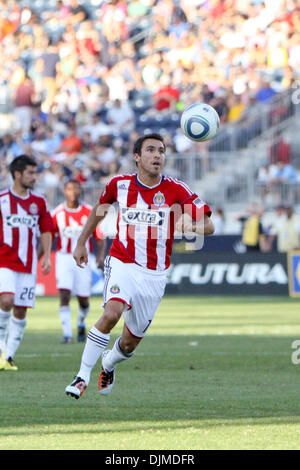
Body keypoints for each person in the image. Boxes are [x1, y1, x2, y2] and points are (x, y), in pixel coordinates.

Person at [65, 132, 214, 399]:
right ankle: (81, 377)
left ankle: (108, 364)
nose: (158, 155)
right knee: (111, 313)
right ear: (137, 157)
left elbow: (209, 224)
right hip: (122, 261)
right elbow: (99, 210)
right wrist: (81, 242)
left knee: (129, 343)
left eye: (161, 151)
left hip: (155, 274)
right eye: (151, 150)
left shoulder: (176, 189)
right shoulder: (119, 184)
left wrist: (187, 224)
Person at [0, 155, 53, 371]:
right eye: (30, 173)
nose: (34, 177)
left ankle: (9, 356)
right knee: (7, 300)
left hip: (29, 265)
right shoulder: (2, 200)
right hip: (4, 261)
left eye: (35, 172)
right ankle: (0, 350)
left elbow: (47, 230)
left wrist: (47, 256)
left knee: (21, 311)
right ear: (17, 174)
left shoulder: (39, 202)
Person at [51, 179, 106, 343]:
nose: (73, 191)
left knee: (83, 300)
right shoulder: (57, 213)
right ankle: (67, 335)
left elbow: (99, 237)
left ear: (80, 191)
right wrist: (45, 255)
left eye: (76, 188)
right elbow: (48, 235)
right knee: (64, 295)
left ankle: (81, 323)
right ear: (64, 191)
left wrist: (100, 255)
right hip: (63, 257)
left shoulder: (89, 211)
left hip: (83, 258)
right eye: (69, 188)